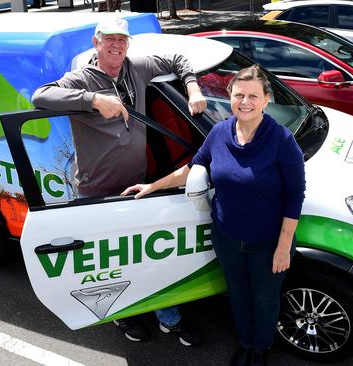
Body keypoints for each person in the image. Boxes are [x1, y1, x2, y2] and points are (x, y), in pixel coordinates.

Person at [31, 14, 207, 346]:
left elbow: (178, 59)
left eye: (122, 40)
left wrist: (193, 86)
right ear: (96, 43)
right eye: (109, 39)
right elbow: (40, 97)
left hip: (137, 188)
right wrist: (93, 100)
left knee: (151, 261)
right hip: (96, 193)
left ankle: (168, 318)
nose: (116, 45)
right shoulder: (80, 78)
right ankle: (121, 315)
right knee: (107, 267)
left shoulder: (137, 67)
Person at [122, 65, 306, 366]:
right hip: (227, 238)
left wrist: (284, 246)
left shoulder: (282, 141)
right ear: (229, 97)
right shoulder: (220, 132)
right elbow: (192, 168)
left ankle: (260, 348)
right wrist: (153, 185)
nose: (245, 102)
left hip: (268, 243)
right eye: (239, 95)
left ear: (266, 99)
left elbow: (294, 196)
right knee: (238, 294)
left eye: (253, 96)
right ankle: (245, 342)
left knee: (264, 299)